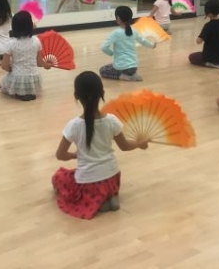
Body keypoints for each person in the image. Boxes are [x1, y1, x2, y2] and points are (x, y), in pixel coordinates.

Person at [52, 71, 149, 219]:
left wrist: (75, 155)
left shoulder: (74, 125)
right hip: (112, 178)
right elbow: (125, 146)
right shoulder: (112, 121)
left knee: (59, 177)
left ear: (76, 96)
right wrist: (140, 144)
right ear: (102, 93)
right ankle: (110, 196)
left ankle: (99, 201)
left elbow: (60, 155)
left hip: (88, 183)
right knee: (102, 180)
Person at [0, 11, 51, 101]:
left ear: (14, 26)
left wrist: (10, 69)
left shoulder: (11, 43)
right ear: (30, 25)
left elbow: (4, 66)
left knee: (1, 86)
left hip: (17, 78)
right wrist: (46, 65)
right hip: (34, 78)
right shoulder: (36, 41)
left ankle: (18, 93)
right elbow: (39, 63)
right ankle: (27, 92)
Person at [99, 5, 156, 82]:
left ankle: (123, 76)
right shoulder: (134, 31)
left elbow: (104, 47)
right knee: (115, 65)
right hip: (133, 67)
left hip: (121, 67)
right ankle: (132, 74)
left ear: (118, 18)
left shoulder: (115, 33)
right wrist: (152, 45)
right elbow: (143, 41)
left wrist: (111, 53)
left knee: (102, 70)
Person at [188, 0, 219, 68]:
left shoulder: (208, 26)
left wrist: (199, 36)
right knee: (200, 53)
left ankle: (210, 63)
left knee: (191, 56)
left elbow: (198, 41)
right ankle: (218, 63)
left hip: (210, 58)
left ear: (209, 13)